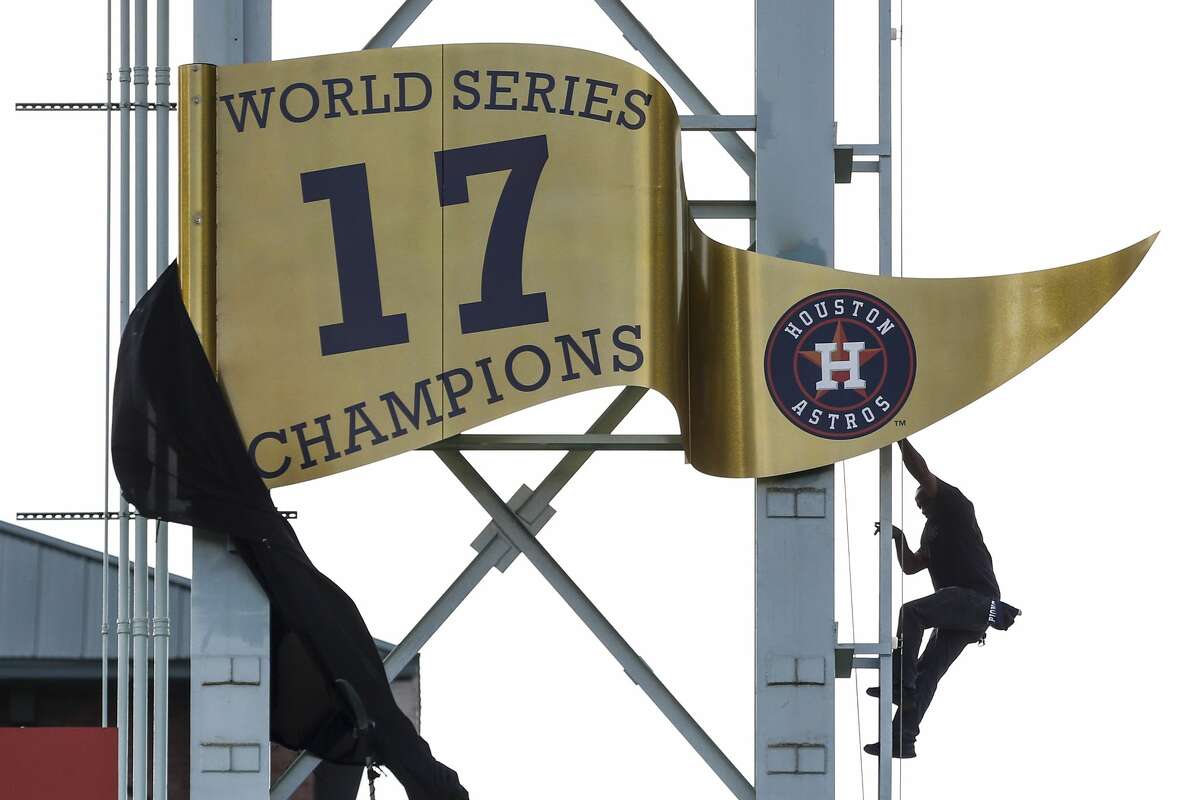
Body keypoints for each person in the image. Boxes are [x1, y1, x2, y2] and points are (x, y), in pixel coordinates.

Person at [864, 438, 1020, 759]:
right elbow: (910, 566)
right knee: (928, 672)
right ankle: (902, 737)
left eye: (923, 500)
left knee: (912, 614)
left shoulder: (956, 507)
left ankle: (900, 682)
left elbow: (922, 473)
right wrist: (899, 537)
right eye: (918, 506)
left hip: (978, 601)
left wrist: (898, 438)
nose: (920, 506)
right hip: (963, 616)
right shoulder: (930, 532)